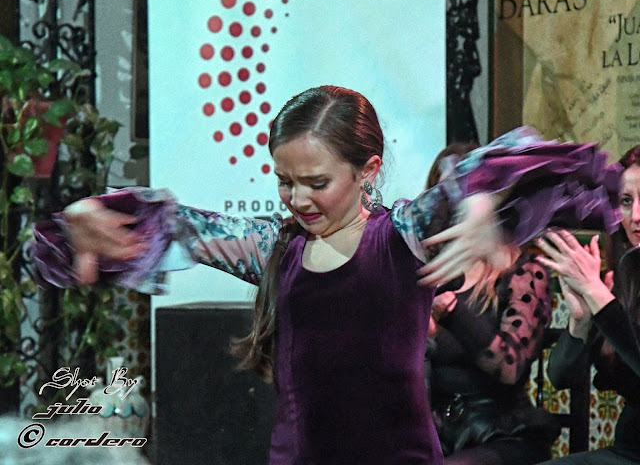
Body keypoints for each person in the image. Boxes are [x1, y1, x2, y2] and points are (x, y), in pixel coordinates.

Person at [31, 86, 621, 465]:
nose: (298, 198)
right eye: (285, 181)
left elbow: (531, 167)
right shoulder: (275, 247)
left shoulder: (403, 236)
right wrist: (90, 215)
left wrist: (481, 198)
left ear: (368, 171)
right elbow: (179, 224)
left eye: (317, 183)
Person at [424, 146, 560, 465]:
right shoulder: (430, 269)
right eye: (444, 194)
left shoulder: (524, 272)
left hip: (498, 430)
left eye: (465, 190)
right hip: (434, 428)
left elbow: (509, 367)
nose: (455, 204)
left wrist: (453, 313)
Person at [534, 145, 640, 464]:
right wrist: (579, 321)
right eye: (626, 201)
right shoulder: (621, 277)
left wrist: (598, 297)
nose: (636, 216)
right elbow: (560, 378)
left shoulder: (604, 291)